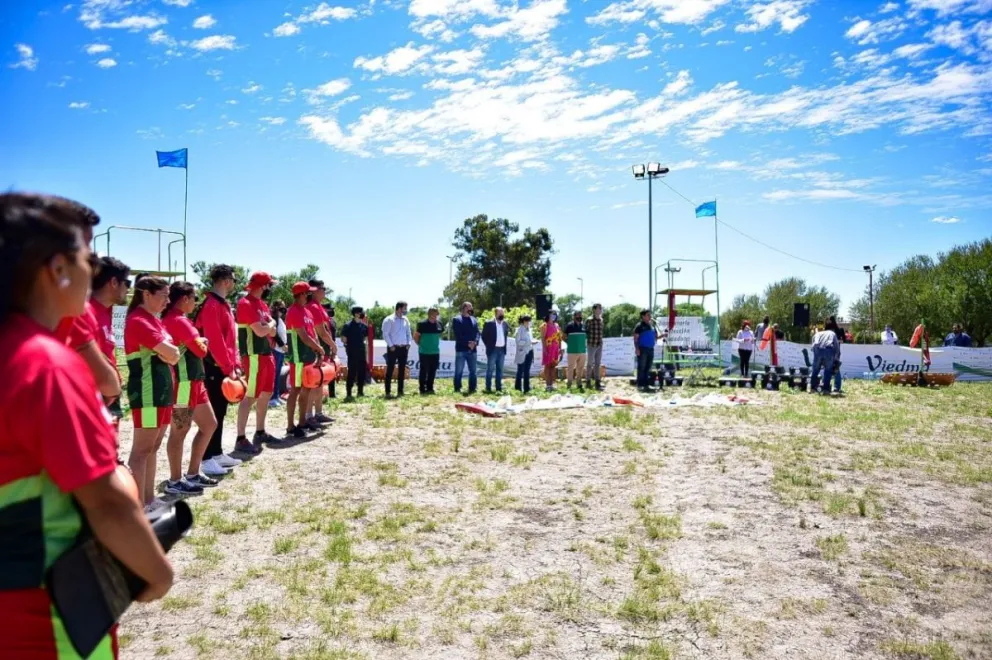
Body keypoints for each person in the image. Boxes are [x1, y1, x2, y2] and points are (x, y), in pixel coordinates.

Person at [0, 192, 173, 656]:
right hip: (51, 615)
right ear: (57, 268)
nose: (93, 272)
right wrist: (156, 573)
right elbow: (106, 503)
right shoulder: (44, 365)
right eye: (86, 258)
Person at [124, 276, 180, 510]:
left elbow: (174, 353)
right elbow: (173, 352)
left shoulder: (154, 320)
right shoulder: (139, 320)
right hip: (148, 394)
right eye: (164, 295)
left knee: (153, 446)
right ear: (146, 294)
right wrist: (169, 353)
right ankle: (136, 506)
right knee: (141, 451)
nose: (168, 301)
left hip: (162, 393)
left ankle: (148, 499)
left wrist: (169, 353)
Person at [57, 256, 130, 429]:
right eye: (126, 283)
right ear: (113, 282)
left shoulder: (108, 313)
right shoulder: (82, 312)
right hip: (91, 399)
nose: (128, 288)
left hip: (109, 397)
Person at [162, 281, 219, 493]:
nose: (196, 302)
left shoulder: (176, 320)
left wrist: (199, 341)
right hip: (183, 385)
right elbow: (202, 351)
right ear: (185, 299)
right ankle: (175, 481)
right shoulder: (179, 321)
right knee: (179, 432)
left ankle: (193, 473)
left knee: (209, 425)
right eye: (194, 298)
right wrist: (202, 340)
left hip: (195, 383)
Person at [194, 264, 244, 476]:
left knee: (221, 411)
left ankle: (216, 453)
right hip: (213, 366)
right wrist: (227, 366)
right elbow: (215, 342)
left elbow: (231, 340)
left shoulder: (222, 304)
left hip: (224, 367)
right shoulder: (212, 305)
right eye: (233, 279)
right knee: (213, 412)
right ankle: (205, 459)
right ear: (225, 280)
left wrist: (236, 365)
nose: (234, 283)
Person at [236, 272, 280, 452]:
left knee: (266, 393)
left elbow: (273, 331)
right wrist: (269, 326)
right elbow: (262, 331)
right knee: (251, 395)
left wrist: (268, 326)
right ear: (262, 286)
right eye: (268, 285)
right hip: (253, 355)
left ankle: (260, 431)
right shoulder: (245, 304)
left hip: (265, 354)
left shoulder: (261, 305)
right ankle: (240, 437)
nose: (270, 289)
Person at [285, 281, 324, 437]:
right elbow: (304, 336)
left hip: (308, 358)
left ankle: (302, 422)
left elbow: (313, 334)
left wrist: (318, 353)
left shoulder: (306, 312)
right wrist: (319, 349)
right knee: (295, 391)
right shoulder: (293, 311)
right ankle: (290, 426)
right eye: (308, 293)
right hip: (298, 358)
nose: (310, 295)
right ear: (301, 294)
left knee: (307, 389)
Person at [305, 280, 336, 423]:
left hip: (321, 349)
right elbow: (321, 331)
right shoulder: (313, 307)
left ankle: (318, 412)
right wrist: (333, 345)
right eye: (322, 289)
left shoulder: (318, 306)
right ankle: (309, 415)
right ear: (315, 290)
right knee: (313, 383)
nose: (324, 291)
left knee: (319, 383)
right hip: (317, 349)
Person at [382, 301, 413, 398]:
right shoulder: (389, 319)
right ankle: (388, 392)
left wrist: (409, 343)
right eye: (405, 308)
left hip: (404, 348)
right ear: (399, 308)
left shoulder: (406, 320)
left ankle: (400, 391)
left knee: (402, 370)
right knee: (390, 370)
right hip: (393, 348)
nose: (406, 310)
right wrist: (391, 345)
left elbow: (409, 333)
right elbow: (385, 334)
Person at [452, 301, 480, 395]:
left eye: (471, 307)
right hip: (461, 349)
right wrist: (468, 343)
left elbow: (477, 333)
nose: (471, 309)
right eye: (469, 307)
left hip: (473, 350)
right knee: (459, 371)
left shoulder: (474, 320)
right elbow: (458, 335)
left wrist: (475, 342)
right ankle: (457, 388)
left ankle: (472, 388)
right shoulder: (457, 319)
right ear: (464, 308)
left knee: (473, 371)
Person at [341, 306, 369, 399]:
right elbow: (344, 339)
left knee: (362, 372)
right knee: (351, 373)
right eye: (361, 312)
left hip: (361, 353)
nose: (363, 314)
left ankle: (360, 392)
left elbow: (365, 339)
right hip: (352, 353)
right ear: (356, 313)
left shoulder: (364, 326)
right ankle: (349, 393)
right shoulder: (348, 325)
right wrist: (348, 347)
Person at [415, 306, 443, 395]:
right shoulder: (422, 324)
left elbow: (439, 336)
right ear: (430, 314)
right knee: (424, 370)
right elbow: (416, 337)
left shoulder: (439, 324)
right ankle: (422, 388)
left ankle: (430, 387)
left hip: (435, 352)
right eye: (435, 314)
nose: (436, 316)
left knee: (433, 370)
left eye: (437, 314)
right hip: (424, 352)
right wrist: (421, 345)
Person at [482, 307, 510, 393]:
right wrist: (489, 346)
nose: (502, 314)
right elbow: (484, 336)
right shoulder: (489, 323)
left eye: (503, 313)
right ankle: (488, 388)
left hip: (502, 350)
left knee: (500, 369)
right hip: (493, 350)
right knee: (490, 369)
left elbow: (505, 335)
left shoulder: (505, 324)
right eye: (500, 313)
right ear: (495, 314)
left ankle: (498, 388)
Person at [810, 320, 839, 395]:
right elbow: (836, 346)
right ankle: (826, 389)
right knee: (828, 371)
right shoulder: (832, 333)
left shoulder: (818, 333)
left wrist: (816, 354)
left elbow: (813, 345)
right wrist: (836, 358)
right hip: (829, 350)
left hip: (818, 350)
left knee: (815, 370)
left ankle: (813, 388)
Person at [633, 310, 658, 391]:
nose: (650, 316)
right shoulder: (639, 326)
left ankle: (646, 384)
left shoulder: (652, 326)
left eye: (650, 315)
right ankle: (640, 384)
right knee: (641, 367)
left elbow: (655, 337)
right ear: (643, 316)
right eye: (648, 315)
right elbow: (636, 338)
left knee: (648, 367)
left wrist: (663, 335)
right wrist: (637, 349)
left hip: (651, 349)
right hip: (642, 349)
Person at [563, 310, 587, 391]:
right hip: (572, 351)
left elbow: (585, 336)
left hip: (582, 351)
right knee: (570, 368)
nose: (580, 317)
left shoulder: (583, 326)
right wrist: (569, 342)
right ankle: (569, 384)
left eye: (581, 316)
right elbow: (563, 336)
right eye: (578, 316)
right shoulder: (569, 326)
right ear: (574, 317)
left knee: (580, 368)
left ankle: (579, 383)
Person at [270, 300, 288, 406]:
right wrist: (282, 344)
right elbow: (274, 334)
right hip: (276, 349)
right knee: (274, 374)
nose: (283, 308)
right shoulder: (274, 319)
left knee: (277, 374)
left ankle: (276, 395)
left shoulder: (281, 319)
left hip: (281, 351)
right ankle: (272, 398)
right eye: (281, 306)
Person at [514, 314, 537, 393]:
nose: (529, 323)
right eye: (528, 321)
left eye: (530, 321)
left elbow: (530, 339)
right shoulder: (519, 330)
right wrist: (528, 342)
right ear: (524, 321)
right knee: (520, 370)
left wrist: (533, 341)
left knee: (527, 370)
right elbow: (518, 342)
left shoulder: (530, 329)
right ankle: (518, 388)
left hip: (529, 351)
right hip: (522, 352)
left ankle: (527, 388)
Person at [541, 310, 562, 392]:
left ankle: (552, 384)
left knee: (553, 366)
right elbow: (542, 338)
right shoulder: (544, 325)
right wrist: (544, 348)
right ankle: (547, 385)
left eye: (555, 314)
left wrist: (560, 348)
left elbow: (559, 338)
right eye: (552, 314)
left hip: (555, 349)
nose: (553, 316)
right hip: (548, 348)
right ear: (548, 315)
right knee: (547, 366)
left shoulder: (557, 325)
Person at [585, 303, 605, 390]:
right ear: (594, 310)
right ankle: (588, 381)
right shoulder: (589, 320)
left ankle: (597, 381)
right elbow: (585, 331)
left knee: (598, 364)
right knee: (589, 364)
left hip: (599, 344)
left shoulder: (601, 320)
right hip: (591, 344)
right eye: (598, 308)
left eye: (601, 308)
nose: (600, 309)